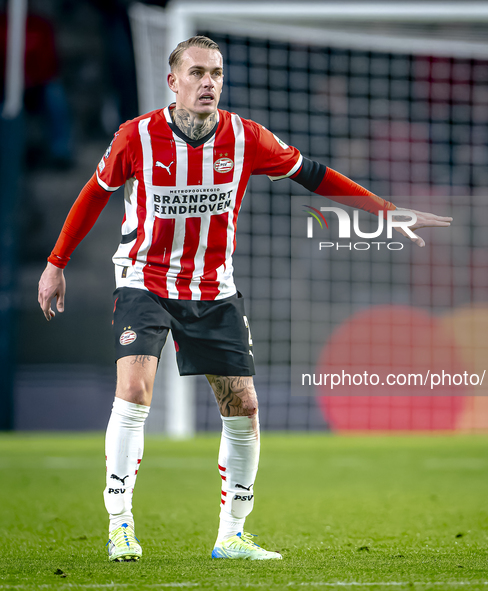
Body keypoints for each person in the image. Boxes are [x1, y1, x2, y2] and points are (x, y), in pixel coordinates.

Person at [37, 36, 453, 562]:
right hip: (145, 280)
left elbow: (315, 176)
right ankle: (120, 523)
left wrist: (385, 210)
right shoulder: (135, 138)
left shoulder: (246, 137)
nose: (208, 82)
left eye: (216, 73)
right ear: (173, 81)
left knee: (244, 407)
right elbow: (94, 193)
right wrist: (56, 263)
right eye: (197, 73)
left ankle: (231, 534)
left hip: (215, 289)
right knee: (136, 390)